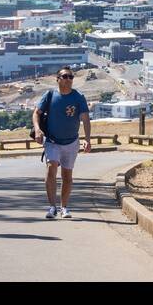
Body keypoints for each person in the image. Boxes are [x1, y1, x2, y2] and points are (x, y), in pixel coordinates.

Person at [32, 67, 91, 219]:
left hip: (71, 142)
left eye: (71, 77)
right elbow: (36, 113)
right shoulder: (50, 95)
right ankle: (52, 207)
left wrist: (87, 139)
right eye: (65, 76)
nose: (68, 79)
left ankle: (64, 207)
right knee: (51, 168)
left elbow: (85, 118)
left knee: (67, 176)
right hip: (52, 141)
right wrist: (37, 130)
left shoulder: (78, 97)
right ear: (57, 79)